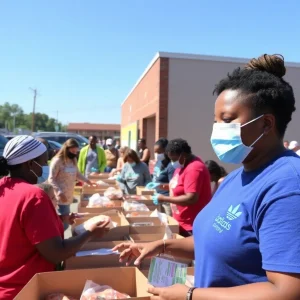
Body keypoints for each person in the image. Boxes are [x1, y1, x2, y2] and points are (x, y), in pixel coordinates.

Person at [114, 54, 300, 299]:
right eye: (216, 122)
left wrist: (192, 295)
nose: (218, 130)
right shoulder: (236, 178)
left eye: (227, 120)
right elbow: (213, 240)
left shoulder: (287, 186)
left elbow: (286, 291)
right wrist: (161, 247)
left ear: (266, 124)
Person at [0, 135, 110, 299]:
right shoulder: (33, 196)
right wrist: (91, 233)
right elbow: (56, 253)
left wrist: (60, 221)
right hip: (25, 290)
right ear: (30, 164)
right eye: (43, 163)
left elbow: (16, 231)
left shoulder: (4, 188)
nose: (45, 167)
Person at [151, 138, 211, 236]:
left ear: (183, 155)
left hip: (190, 225)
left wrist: (164, 198)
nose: (172, 162)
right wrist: (161, 186)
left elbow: (191, 198)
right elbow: (179, 187)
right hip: (181, 222)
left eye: (173, 159)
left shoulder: (194, 168)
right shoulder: (182, 165)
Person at [48, 138, 93, 230]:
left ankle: (58, 240)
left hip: (68, 196)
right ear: (66, 149)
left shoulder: (73, 160)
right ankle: (58, 241)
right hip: (59, 197)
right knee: (63, 224)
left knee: (64, 223)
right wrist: (59, 192)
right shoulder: (57, 161)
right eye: (73, 151)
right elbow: (51, 179)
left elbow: (77, 174)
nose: (74, 153)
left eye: (76, 151)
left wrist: (87, 181)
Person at [145, 138, 175, 216]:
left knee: (169, 223)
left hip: (167, 200)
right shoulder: (158, 162)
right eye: (155, 152)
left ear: (166, 151)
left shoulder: (171, 166)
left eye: (159, 152)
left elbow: (174, 186)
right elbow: (156, 175)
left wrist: (159, 185)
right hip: (157, 197)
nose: (157, 154)